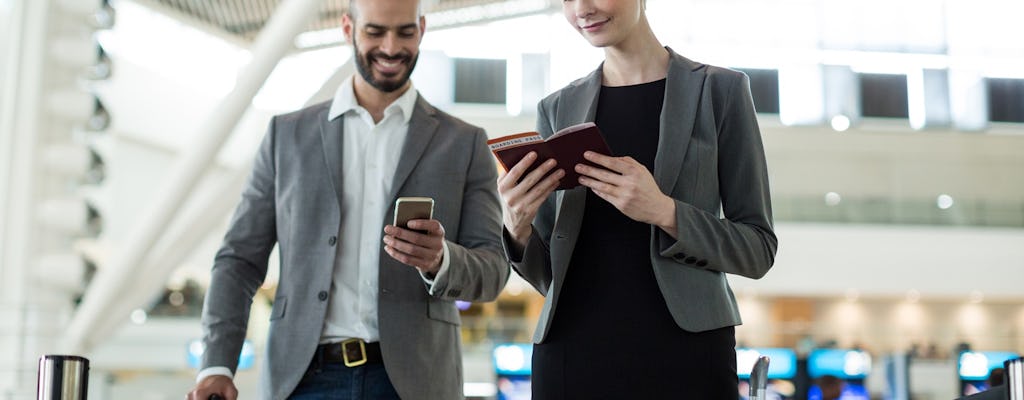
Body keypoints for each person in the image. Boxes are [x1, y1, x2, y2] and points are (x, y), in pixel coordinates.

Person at [186, 0, 509, 398]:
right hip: (302, 380)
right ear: (347, 28)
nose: (391, 47)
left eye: (405, 32)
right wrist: (217, 364)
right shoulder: (285, 136)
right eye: (375, 32)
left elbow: (493, 270)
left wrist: (441, 260)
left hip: (413, 382)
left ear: (422, 29)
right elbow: (239, 260)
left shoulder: (463, 143)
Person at [498, 0, 777, 398]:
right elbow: (549, 276)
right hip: (571, 353)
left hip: (685, 354)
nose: (582, 9)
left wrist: (665, 211)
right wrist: (517, 227)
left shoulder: (720, 91)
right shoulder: (557, 108)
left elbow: (758, 249)